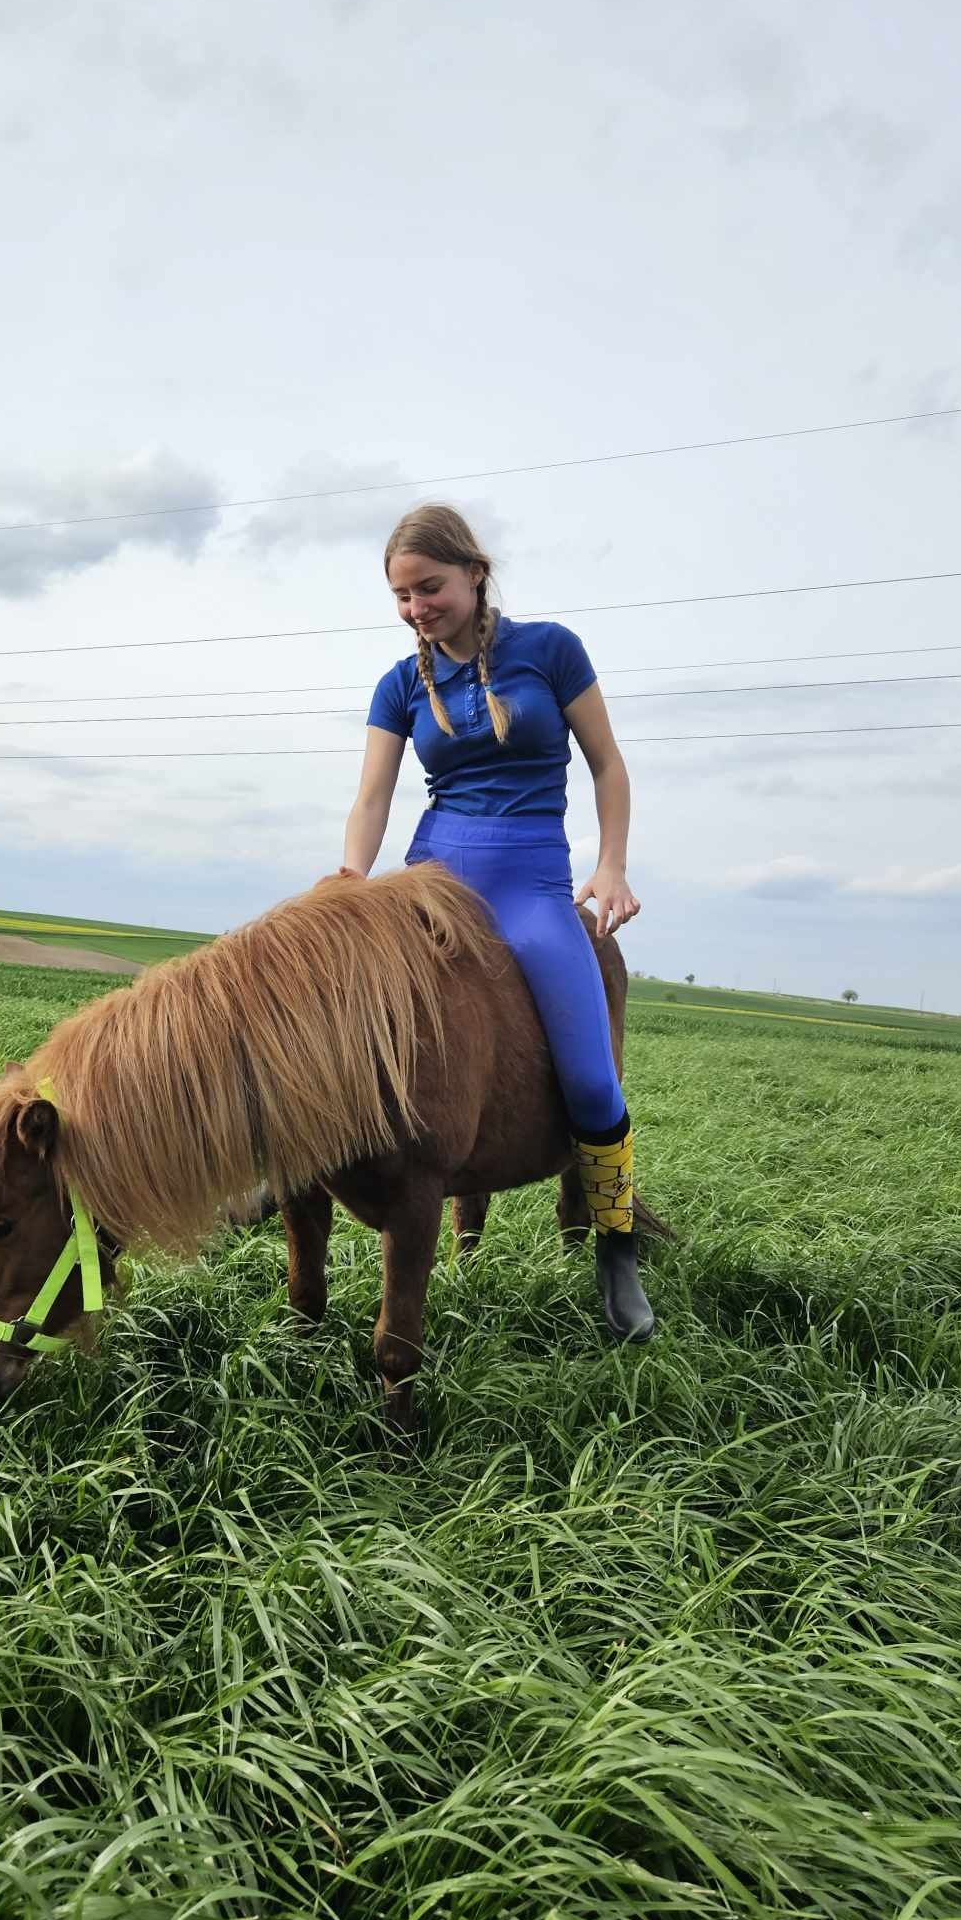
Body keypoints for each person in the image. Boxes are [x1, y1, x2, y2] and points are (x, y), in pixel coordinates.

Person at [339, 503, 653, 1341]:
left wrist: (612, 864)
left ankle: (616, 1249)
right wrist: (349, 878)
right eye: (402, 597)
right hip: (432, 879)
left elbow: (608, 764)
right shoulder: (399, 683)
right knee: (335, 1031)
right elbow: (372, 798)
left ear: (476, 572)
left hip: (530, 886)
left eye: (429, 588)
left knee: (592, 1080)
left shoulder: (550, 651)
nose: (416, 609)